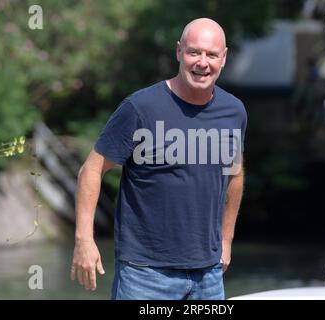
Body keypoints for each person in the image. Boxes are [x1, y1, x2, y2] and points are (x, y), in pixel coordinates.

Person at [70, 17, 247, 300]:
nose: (203, 62)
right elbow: (90, 171)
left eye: (212, 54)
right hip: (145, 275)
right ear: (179, 52)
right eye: (194, 52)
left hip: (209, 276)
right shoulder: (140, 107)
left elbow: (235, 173)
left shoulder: (234, 111)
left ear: (223, 58)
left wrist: (226, 239)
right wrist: (84, 240)